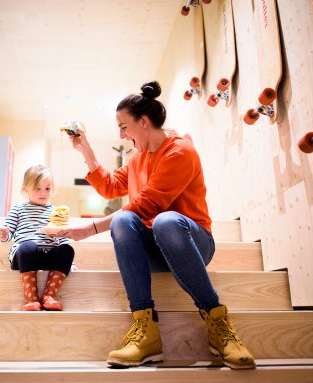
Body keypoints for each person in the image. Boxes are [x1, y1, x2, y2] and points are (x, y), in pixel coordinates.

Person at [58, 81, 256, 369]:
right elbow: (112, 186)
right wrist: (86, 151)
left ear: (144, 121)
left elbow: (147, 206)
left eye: (123, 127)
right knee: (125, 219)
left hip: (193, 244)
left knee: (164, 220)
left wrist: (91, 229)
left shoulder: (179, 151)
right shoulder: (139, 159)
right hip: (157, 249)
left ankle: (218, 323)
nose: (121, 134)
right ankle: (145, 332)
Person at [0, 164, 75, 311]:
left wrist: (70, 262)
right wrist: (4, 234)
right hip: (25, 256)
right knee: (27, 246)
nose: (43, 192)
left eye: (47, 188)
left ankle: (49, 296)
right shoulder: (18, 209)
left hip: (49, 256)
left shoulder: (55, 211)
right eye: (37, 188)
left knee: (67, 249)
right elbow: (8, 234)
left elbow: (63, 235)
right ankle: (30, 298)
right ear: (25, 189)